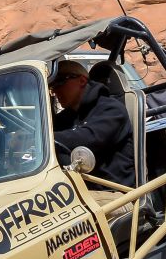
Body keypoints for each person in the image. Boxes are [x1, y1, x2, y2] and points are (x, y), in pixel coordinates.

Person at [50, 58, 135, 186]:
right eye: (52, 86)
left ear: (82, 80)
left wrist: (44, 139)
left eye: (60, 82)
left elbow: (89, 138)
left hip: (114, 193)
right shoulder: (65, 118)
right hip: (78, 191)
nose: (55, 91)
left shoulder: (111, 109)